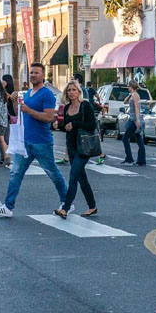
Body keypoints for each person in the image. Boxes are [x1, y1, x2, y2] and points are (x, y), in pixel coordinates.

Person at [0, 63, 67, 218]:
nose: (33, 75)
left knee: (52, 172)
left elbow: (48, 117)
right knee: (15, 173)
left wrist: (29, 110)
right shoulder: (28, 93)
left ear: (43, 75)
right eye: (31, 73)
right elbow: (19, 113)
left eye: (37, 73)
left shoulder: (47, 94)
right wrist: (12, 101)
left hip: (41, 141)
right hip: (25, 142)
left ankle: (66, 202)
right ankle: (8, 207)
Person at [55, 80, 99, 219]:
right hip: (72, 147)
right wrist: (60, 126)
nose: (71, 92)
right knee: (82, 179)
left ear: (79, 92)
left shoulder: (85, 105)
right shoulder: (67, 108)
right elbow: (66, 127)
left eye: (74, 90)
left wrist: (74, 123)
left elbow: (91, 124)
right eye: (69, 90)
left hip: (83, 147)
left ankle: (65, 208)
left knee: (73, 177)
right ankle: (92, 206)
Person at [122, 80, 146, 166]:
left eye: (128, 86)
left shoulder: (135, 95)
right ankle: (141, 160)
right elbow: (125, 102)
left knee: (125, 138)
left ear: (131, 87)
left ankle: (129, 159)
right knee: (138, 139)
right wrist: (129, 96)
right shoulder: (132, 95)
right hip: (133, 119)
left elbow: (137, 108)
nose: (127, 88)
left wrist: (137, 120)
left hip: (134, 120)